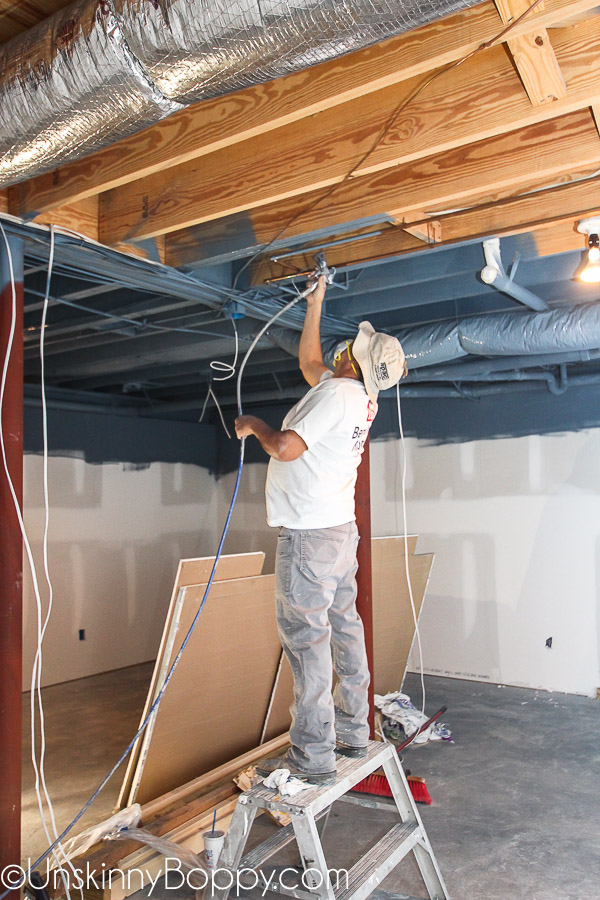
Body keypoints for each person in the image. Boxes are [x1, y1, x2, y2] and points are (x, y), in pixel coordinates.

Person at [234, 274, 407, 784]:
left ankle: (312, 757)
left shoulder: (336, 396)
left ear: (355, 360)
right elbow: (312, 363)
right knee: (345, 628)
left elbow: (287, 446)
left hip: (309, 537)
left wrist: (255, 427)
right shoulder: (358, 398)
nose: (343, 350)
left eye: (351, 348)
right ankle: (354, 729)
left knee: (307, 642)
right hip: (338, 534)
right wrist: (317, 302)